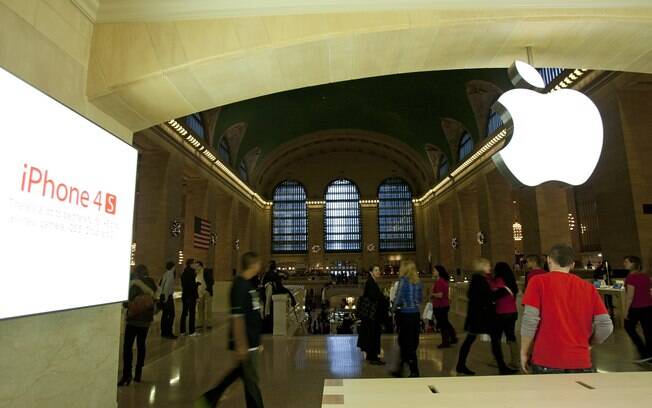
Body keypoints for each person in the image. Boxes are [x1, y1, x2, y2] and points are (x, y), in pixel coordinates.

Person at [521, 244, 613, 374]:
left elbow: (530, 320)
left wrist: (524, 351)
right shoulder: (588, 287)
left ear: (549, 260)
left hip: (546, 358)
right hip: (580, 359)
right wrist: (590, 343)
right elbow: (606, 325)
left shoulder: (537, 282)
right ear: (573, 264)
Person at [197, 252, 265, 408]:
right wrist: (241, 345)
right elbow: (237, 317)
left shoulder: (248, 285)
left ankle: (209, 399)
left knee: (240, 375)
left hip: (251, 342)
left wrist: (258, 341)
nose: (260, 266)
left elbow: (252, 315)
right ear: (253, 265)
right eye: (258, 263)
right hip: (246, 343)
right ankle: (209, 399)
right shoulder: (240, 286)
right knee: (251, 382)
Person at [456, 258, 517, 376]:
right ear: (482, 266)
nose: (490, 267)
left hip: (478, 317)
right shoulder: (479, 280)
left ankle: (461, 365)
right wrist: (504, 291)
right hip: (481, 317)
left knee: (476, 341)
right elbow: (488, 297)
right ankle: (501, 367)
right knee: (491, 341)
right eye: (488, 265)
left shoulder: (477, 279)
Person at [118, 264, 157, 386]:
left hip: (133, 320)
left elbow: (127, 301)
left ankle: (126, 375)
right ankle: (138, 373)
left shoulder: (134, 284)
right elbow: (155, 298)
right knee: (141, 345)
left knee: (127, 347)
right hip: (145, 321)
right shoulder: (151, 283)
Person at [390, 260, 423, 378]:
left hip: (405, 315)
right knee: (411, 341)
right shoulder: (418, 282)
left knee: (405, 342)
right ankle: (401, 368)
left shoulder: (403, 281)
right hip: (415, 314)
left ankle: (414, 370)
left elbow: (398, 298)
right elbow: (420, 299)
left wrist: (393, 309)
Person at [623, 255, 652, 363]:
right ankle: (649, 353)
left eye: (626, 262)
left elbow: (630, 296)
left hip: (636, 308)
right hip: (648, 307)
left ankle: (644, 352)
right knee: (648, 331)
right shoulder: (645, 276)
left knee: (629, 327)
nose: (624, 264)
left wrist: (626, 311)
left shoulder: (631, 278)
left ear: (633, 263)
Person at [357, 266, 387, 365]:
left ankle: (371, 355)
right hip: (373, 315)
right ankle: (374, 357)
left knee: (371, 335)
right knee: (373, 335)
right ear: (371, 272)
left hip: (371, 315)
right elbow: (375, 297)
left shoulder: (372, 282)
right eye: (376, 270)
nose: (378, 272)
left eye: (379, 270)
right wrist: (383, 297)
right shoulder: (370, 283)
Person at [492, 262, 519, 369]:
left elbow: (494, 296)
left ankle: (497, 360)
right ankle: (514, 361)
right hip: (513, 312)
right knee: (511, 336)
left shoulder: (499, 281)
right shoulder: (512, 282)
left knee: (497, 337)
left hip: (501, 312)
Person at [431, 265, 457, 348]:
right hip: (444, 305)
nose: (433, 272)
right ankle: (453, 337)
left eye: (434, 270)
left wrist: (432, 294)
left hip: (440, 306)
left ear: (439, 272)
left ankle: (446, 342)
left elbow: (440, 295)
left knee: (443, 325)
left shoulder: (439, 282)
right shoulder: (443, 281)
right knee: (445, 323)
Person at [180, 259, 200, 337]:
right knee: (192, 313)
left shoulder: (184, 273)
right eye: (194, 263)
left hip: (185, 295)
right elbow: (192, 286)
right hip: (191, 296)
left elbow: (185, 285)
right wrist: (197, 285)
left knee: (184, 313)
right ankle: (192, 331)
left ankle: (182, 331)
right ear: (191, 264)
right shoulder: (191, 273)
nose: (196, 265)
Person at [160, 261, 177, 339]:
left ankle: (163, 332)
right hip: (168, 297)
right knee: (171, 314)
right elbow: (167, 287)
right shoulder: (170, 274)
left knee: (164, 315)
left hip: (163, 295)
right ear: (173, 267)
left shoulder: (165, 273)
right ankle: (168, 332)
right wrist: (166, 297)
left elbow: (161, 285)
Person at [197, 263, 213, 330]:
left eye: (197, 266)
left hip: (207, 292)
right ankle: (200, 323)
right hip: (199, 293)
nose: (196, 267)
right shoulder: (196, 273)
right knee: (200, 309)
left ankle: (209, 323)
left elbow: (211, 281)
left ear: (201, 266)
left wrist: (207, 289)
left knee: (208, 309)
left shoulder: (206, 271)